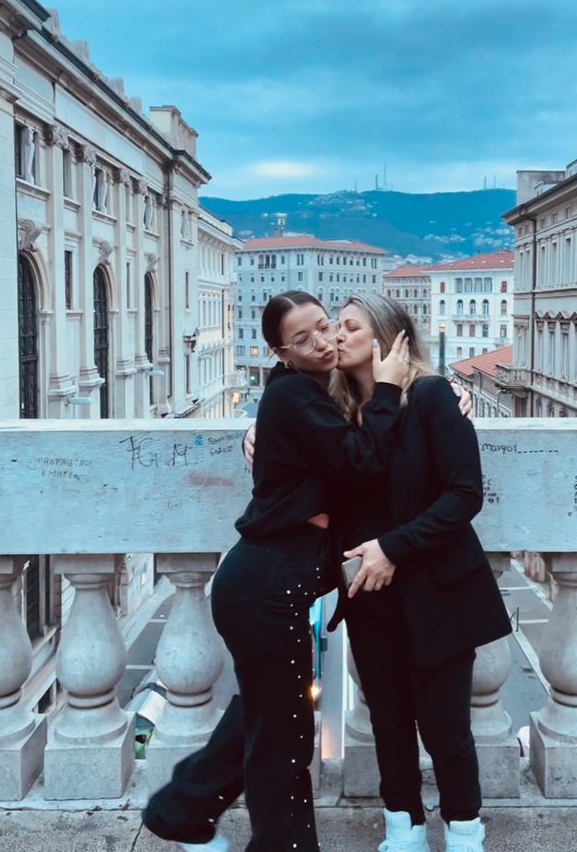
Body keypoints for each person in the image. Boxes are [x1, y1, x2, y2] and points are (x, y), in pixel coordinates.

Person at [142, 290, 410, 852]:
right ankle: (265, 841)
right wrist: (388, 389)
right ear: (281, 353)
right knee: (284, 736)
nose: (322, 341)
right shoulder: (294, 396)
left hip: (265, 585)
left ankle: (180, 810)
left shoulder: (302, 392)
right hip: (264, 587)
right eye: (303, 338)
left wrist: (435, 391)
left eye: (325, 325)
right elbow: (363, 460)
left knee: (269, 718)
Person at [327, 293, 512, 852]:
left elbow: (464, 494)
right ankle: (402, 830)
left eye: (350, 326)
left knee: (445, 727)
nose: (336, 335)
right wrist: (252, 435)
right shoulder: (334, 411)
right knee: (387, 719)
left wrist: (392, 549)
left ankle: (463, 831)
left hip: (437, 588)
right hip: (371, 594)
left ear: (388, 340)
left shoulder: (431, 397)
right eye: (335, 325)